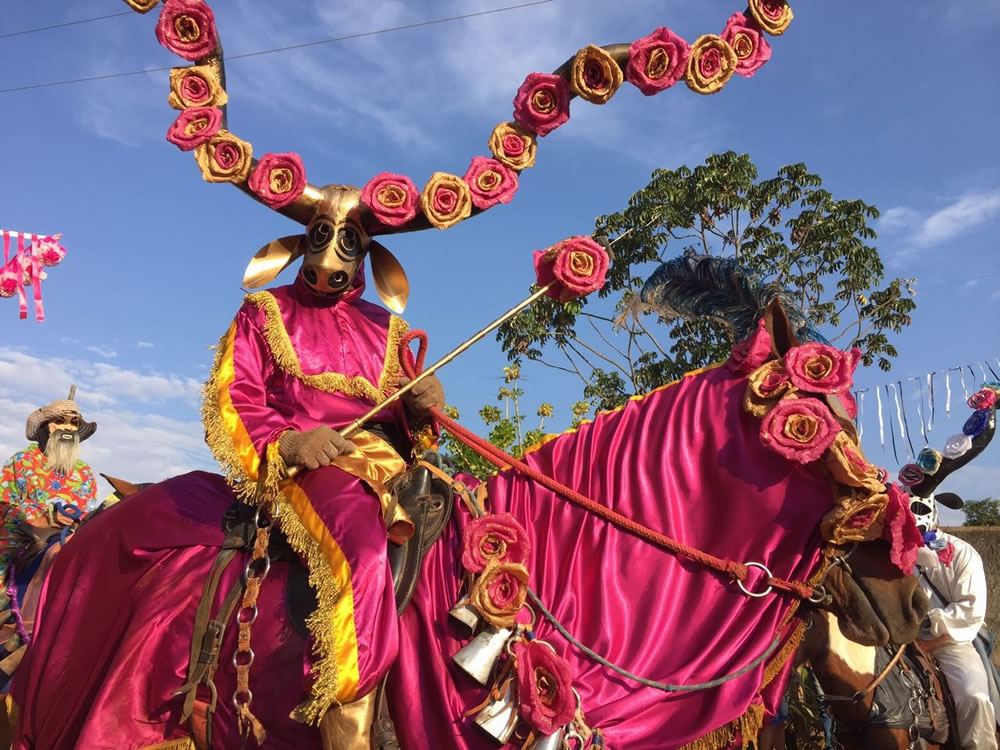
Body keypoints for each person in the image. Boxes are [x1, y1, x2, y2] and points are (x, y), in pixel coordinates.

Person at [202, 186, 445, 745]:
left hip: (388, 464)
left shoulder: (388, 329)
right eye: (321, 235)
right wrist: (288, 444)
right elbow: (233, 398)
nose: (332, 251)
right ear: (301, 239)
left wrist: (419, 403)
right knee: (359, 548)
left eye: (349, 240)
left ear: (369, 255)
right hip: (309, 466)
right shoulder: (265, 310)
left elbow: (405, 424)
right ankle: (349, 722)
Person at [0, 389, 97, 690]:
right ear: (45, 427)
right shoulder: (22, 462)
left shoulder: (85, 473)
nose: (67, 428)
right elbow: (4, 504)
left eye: (73, 423)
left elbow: (91, 509)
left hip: (70, 543)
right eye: (60, 422)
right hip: (22, 538)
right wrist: (44, 517)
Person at [911, 491, 999, 750]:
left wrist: (927, 628)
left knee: (974, 698)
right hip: (899, 644)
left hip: (951, 642)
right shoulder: (892, 554)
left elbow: (970, 611)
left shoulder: (962, 553)